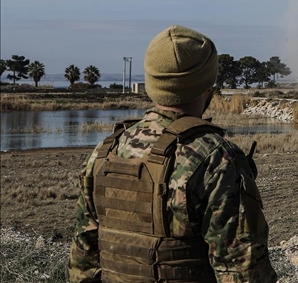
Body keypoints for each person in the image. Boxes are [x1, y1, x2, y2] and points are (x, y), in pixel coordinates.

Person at [69, 25, 277, 283]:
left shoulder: (104, 152)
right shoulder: (217, 158)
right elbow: (245, 271)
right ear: (208, 87)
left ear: (152, 85)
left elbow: (83, 262)